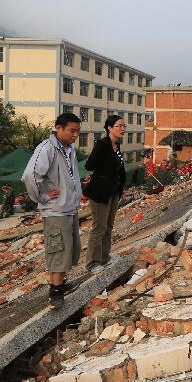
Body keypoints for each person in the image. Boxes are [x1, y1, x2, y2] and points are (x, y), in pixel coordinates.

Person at [23, 112, 83, 308]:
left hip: (69, 208)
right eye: (71, 131)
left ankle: (62, 284)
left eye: (77, 131)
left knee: (68, 250)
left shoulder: (69, 149)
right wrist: (43, 197)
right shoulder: (47, 148)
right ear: (58, 128)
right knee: (57, 249)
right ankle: (55, 291)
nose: (75, 135)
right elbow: (30, 176)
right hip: (55, 210)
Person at [84, 115, 127, 274]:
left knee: (108, 227)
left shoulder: (117, 145)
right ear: (109, 127)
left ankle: (104, 257)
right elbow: (90, 165)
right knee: (99, 228)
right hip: (100, 192)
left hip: (114, 191)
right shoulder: (102, 145)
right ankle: (92, 263)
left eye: (124, 126)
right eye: (119, 126)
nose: (123, 129)